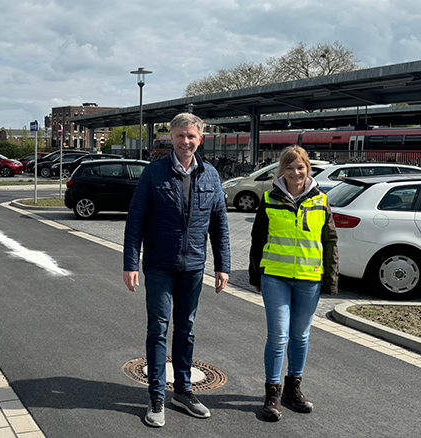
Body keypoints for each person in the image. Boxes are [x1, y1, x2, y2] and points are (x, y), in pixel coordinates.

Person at [123, 112, 230, 427]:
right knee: (158, 330)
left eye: (191, 136)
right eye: (180, 135)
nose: (186, 141)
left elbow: (220, 226)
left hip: (194, 268)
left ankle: (182, 392)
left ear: (201, 138)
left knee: (186, 329)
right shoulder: (154, 174)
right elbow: (135, 222)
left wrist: (223, 266)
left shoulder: (210, 175)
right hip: (159, 266)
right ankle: (156, 396)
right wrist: (131, 263)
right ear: (171, 137)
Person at [248, 145, 338, 422]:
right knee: (278, 336)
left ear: (307, 169)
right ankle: (272, 393)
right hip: (275, 276)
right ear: (282, 170)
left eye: (300, 167)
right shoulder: (269, 199)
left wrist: (330, 280)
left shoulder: (321, 200)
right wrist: (255, 275)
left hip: (309, 278)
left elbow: (330, 242)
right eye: (289, 167)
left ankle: (293, 389)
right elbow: (257, 239)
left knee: (300, 337)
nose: (295, 172)